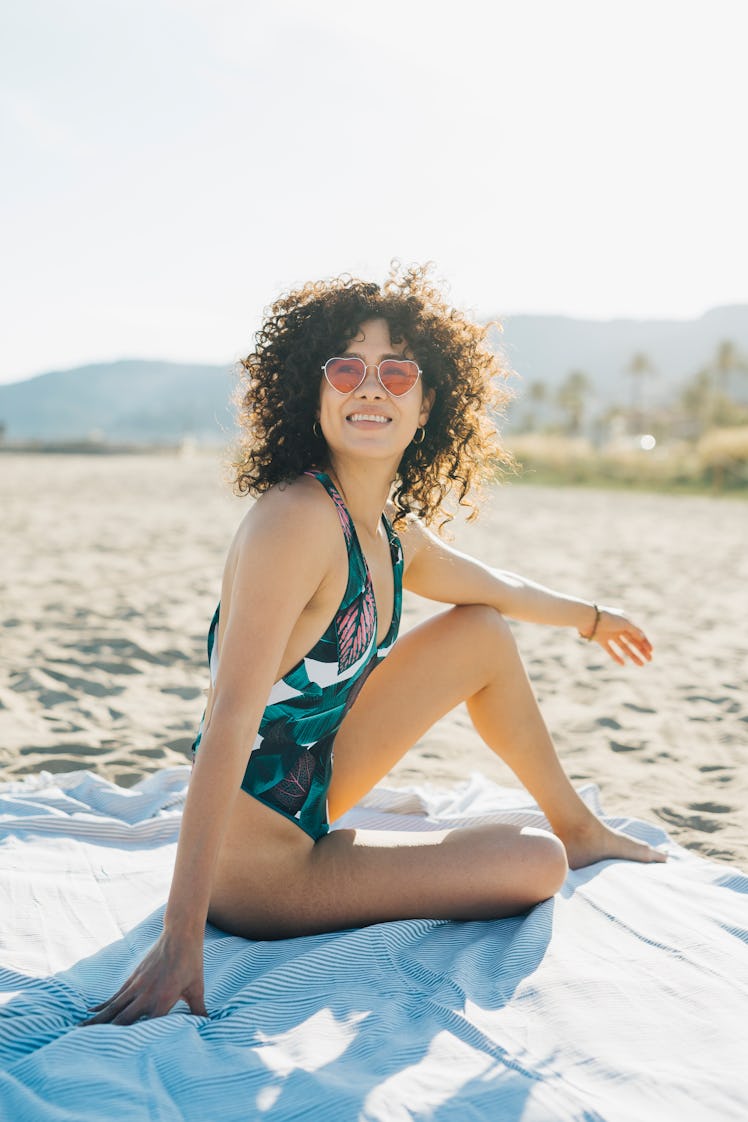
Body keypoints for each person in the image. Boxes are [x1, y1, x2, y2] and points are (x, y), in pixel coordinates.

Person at [81, 263, 665, 1028]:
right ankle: (553, 843)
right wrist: (179, 937)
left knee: (479, 631)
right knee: (532, 864)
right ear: (313, 393)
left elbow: (498, 587)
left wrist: (594, 617)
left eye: (397, 372)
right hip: (256, 871)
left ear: (427, 406)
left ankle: (579, 826)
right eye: (347, 368)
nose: (370, 387)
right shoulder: (296, 520)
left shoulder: (389, 534)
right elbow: (228, 719)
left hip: (314, 790)